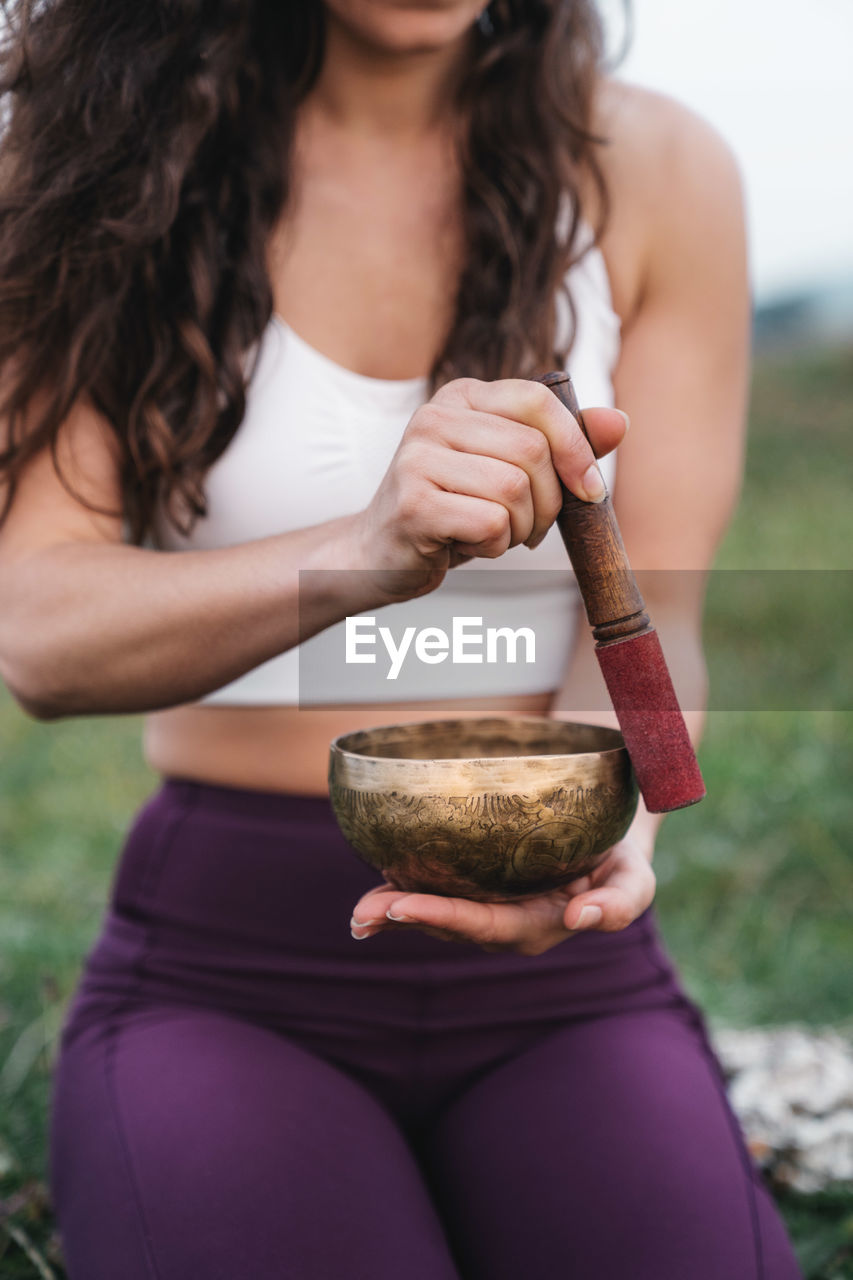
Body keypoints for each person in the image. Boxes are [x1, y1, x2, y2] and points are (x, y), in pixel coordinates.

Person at [0, 1, 802, 1276]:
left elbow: (656, 627)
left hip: (563, 966)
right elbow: (39, 635)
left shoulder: (657, 169)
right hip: (226, 969)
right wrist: (366, 553)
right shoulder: (103, 158)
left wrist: (612, 845)